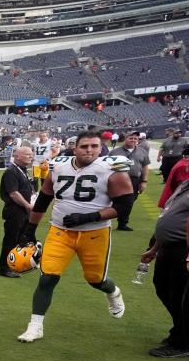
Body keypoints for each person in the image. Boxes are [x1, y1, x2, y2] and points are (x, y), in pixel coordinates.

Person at [17, 132, 133, 342]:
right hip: (60, 231)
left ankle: (113, 292)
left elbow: (124, 206)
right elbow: (44, 199)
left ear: (100, 148)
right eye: (84, 146)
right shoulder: (59, 166)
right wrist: (30, 228)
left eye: (94, 146)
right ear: (74, 148)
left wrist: (89, 216)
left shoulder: (112, 169)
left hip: (94, 234)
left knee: (95, 280)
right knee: (48, 277)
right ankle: (35, 326)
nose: (89, 150)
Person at [139, 180, 189, 357]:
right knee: (163, 288)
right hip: (168, 247)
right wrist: (155, 248)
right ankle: (180, 330)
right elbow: (168, 215)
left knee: (180, 295)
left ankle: (182, 343)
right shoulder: (185, 185)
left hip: (183, 248)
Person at [0, 146, 34, 278]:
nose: (31, 156)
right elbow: (13, 193)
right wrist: (27, 205)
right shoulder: (11, 171)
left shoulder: (22, 170)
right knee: (11, 239)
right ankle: (4, 267)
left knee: (20, 239)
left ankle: (15, 264)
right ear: (17, 156)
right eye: (27, 154)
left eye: (31, 154)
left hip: (23, 210)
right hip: (15, 210)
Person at [109, 131, 149, 231]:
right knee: (114, 201)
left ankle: (122, 223)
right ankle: (107, 220)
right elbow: (107, 166)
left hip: (134, 180)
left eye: (135, 139)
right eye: (131, 138)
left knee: (130, 202)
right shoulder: (114, 152)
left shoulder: (142, 151)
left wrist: (144, 181)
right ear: (125, 139)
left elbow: (145, 167)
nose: (133, 140)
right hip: (118, 180)